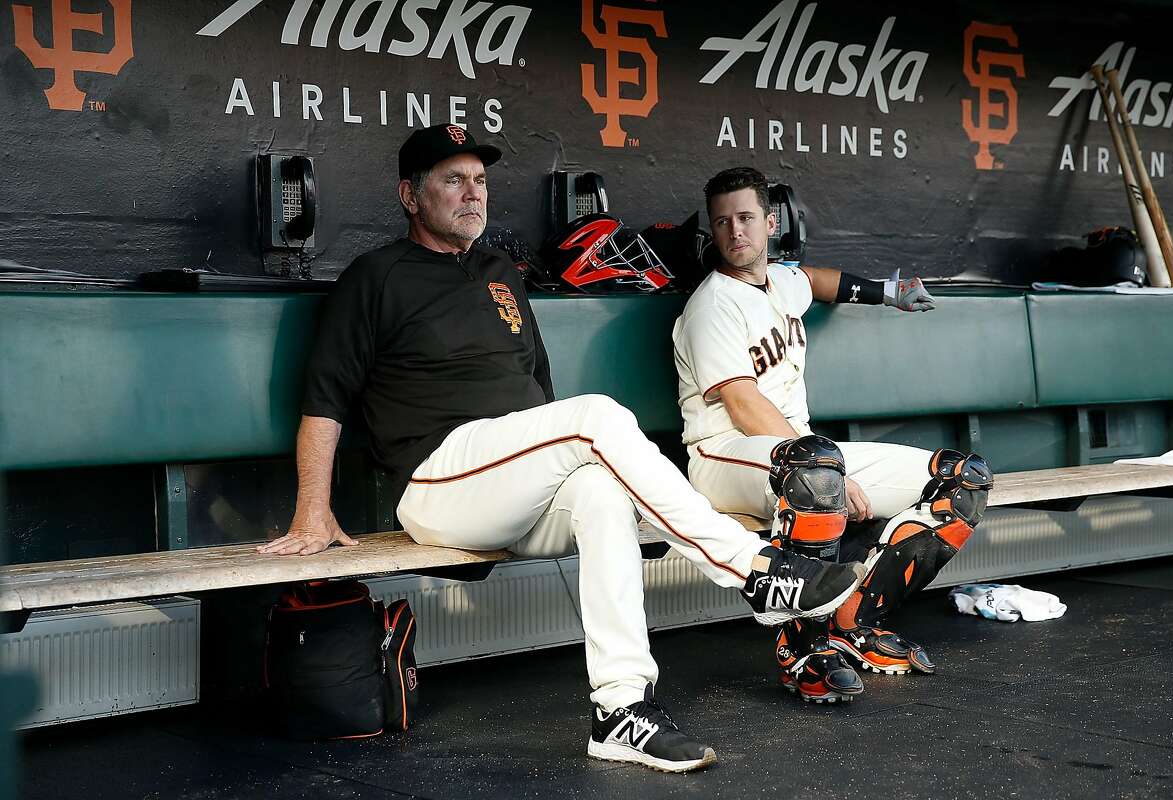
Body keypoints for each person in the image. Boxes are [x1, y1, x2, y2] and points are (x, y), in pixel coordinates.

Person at [257, 126, 864, 773]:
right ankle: (753, 569)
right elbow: (323, 401)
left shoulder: (499, 274)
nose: (473, 194)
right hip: (438, 482)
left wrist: (559, 449)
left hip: (516, 481)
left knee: (602, 491)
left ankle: (622, 708)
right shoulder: (374, 277)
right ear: (410, 195)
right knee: (592, 418)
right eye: (452, 181)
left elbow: (539, 389)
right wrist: (312, 511)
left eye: (481, 181)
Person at [672, 166, 993, 704]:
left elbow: (819, 281)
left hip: (802, 455)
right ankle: (801, 649)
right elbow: (743, 404)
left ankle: (856, 622)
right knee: (816, 473)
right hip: (723, 454)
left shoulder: (782, 280)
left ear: (770, 222)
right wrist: (831, 475)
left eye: (747, 218)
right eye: (723, 222)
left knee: (963, 480)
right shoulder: (711, 306)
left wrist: (886, 292)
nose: (736, 232)